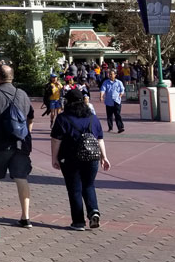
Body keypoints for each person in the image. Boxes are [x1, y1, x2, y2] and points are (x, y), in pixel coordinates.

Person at [0, 64, 34, 228]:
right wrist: (25, 134)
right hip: (20, 144)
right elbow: (30, 118)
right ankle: (25, 216)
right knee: (21, 179)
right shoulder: (22, 94)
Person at [50, 88, 111, 230]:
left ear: (68, 102)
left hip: (70, 158)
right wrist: (104, 157)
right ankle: (93, 211)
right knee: (89, 185)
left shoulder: (62, 118)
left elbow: (56, 140)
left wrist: (54, 158)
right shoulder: (92, 118)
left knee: (74, 189)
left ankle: (78, 222)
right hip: (92, 158)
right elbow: (99, 139)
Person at [99, 69, 125, 133]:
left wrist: (120, 95)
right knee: (109, 115)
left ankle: (120, 127)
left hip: (117, 101)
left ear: (115, 75)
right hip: (109, 101)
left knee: (117, 114)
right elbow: (103, 89)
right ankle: (110, 128)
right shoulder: (106, 82)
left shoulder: (119, 82)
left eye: (111, 74)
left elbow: (122, 90)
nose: (110, 75)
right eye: (109, 74)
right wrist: (101, 96)